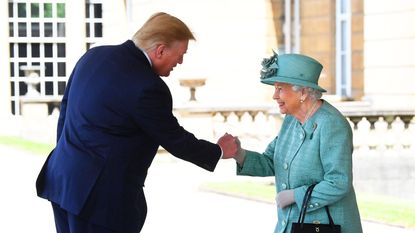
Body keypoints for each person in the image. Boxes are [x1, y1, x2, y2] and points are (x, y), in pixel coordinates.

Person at [36, 12, 237, 233]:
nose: (180, 61)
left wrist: (71, 160)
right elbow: (175, 139)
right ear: (160, 50)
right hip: (101, 203)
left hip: (62, 181)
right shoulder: (149, 87)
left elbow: (65, 113)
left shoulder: (92, 56)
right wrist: (218, 151)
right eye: (180, 55)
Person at [228, 52, 363, 233]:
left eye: (280, 89)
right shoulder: (291, 120)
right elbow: (271, 160)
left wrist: (295, 196)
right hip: (291, 224)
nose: (274, 96)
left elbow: (338, 182)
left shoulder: (331, 124)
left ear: (303, 92)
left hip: (325, 226)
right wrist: (239, 153)